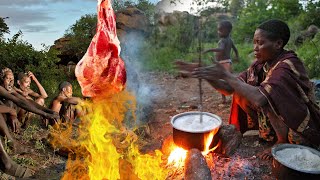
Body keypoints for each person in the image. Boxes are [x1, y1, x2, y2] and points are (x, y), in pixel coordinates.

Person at [175, 19, 320, 160]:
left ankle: (282, 140)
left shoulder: (287, 65)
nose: (255, 48)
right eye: (254, 42)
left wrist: (225, 74)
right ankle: (271, 134)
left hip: (300, 122)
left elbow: (260, 98)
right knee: (240, 92)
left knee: (267, 96)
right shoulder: (260, 65)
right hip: (280, 117)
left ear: (278, 44)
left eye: (260, 43)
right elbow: (229, 89)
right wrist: (207, 75)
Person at [0, 68, 59, 151]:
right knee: (13, 104)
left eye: (12, 79)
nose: (10, 82)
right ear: (2, 79)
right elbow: (19, 102)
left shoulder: (11, 89)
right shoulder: (1, 88)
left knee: (25, 101)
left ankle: (16, 131)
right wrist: (45, 114)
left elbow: (25, 101)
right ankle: (11, 143)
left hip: (8, 115)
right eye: (8, 79)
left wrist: (48, 111)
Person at [202, 20, 239, 104]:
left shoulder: (222, 40)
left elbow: (221, 49)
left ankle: (224, 98)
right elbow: (235, 49)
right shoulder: (230, 40)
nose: (218, 32)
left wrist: (209, 49)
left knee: (222, 80)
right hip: (228, 62)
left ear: (227, 31)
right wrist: (237, 57)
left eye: (220, 30)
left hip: (223, 63)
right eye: (218, 30)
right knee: (229, 79)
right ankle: (234, 95)